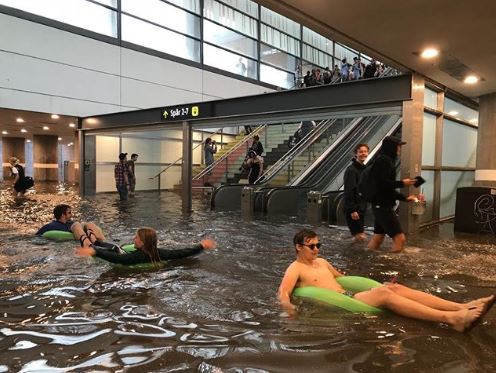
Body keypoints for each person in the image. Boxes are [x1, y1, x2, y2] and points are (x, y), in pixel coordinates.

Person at [278, 229, 495, 332]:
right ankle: (451, 319)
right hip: (342, 302)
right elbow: (283, 294)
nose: (317, 249)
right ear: (299, 247)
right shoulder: (295, 268)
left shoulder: (322, 262)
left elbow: (342, 279)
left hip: (349, 294)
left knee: (394, 286)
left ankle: (464, 306)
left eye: (319, 245)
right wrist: (291, 313)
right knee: (384, 293)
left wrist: (350, 279)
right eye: (312, 246)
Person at [367, 136, 417, 253]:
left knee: (378, 238)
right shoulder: (384, 161)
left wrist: (404, 198)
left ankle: (367, 259)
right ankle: (393, 267)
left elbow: (387, 189)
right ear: (392, 147)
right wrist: (402, 183)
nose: (400, 148)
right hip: (383, 206)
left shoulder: (387, 160)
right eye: (398, 146)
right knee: (400, 239)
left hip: (381, 205)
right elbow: (382, 184)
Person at [76, 227, 216, 267]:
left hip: (116, 251)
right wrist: (201, 246)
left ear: (142, 242)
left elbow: (118, 259)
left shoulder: (136, 256)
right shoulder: (159, 252)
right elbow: (181, 253)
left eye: (136, 237)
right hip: (119, 250)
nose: (133, 239)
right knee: (99, 241)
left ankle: (88, 237)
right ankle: (91, 236)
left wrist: (94, 252)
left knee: (95, 243)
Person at [36, 204, 105, 246]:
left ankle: (103, 243)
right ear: (63, 215)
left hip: (76, 229)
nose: (71, 214)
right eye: (69, 213)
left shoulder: (70, 222)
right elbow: (37, 236)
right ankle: (87, 244)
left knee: (90, 224)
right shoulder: (51, 226)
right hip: (74, 233)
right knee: (76, 224)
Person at [343, 143, 369, 241]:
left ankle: (355, 254)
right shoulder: (351, 170)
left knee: (359, 235)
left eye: (365, 151)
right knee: (360, 236)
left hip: (361, 207)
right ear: (356, 154)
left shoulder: (365, 169)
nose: (363, 153)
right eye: (361, 152)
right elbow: (348, 191)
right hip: (353, 209)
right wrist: (352, 210)